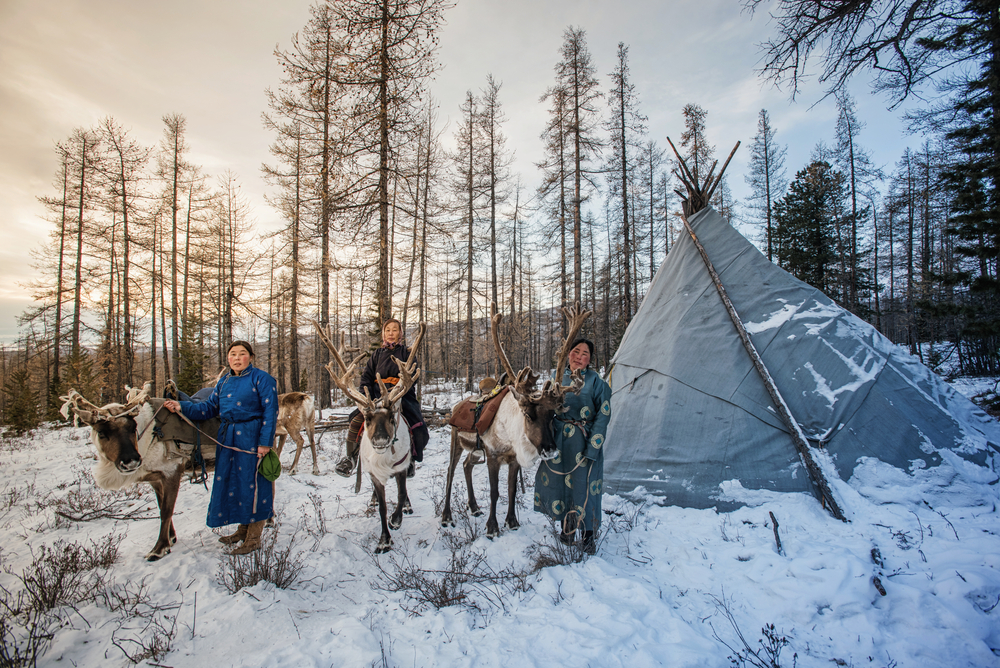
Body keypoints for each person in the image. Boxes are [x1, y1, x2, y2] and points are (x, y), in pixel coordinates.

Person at [163, 340, 278, 555]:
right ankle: (242, 529)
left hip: (252, 437)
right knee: (235, 482)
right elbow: (208, 408)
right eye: (232, 354)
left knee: (253, 484)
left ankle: (254, 538)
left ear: (250, 357)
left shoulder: (262, 379)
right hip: (228, 439)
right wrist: (181, 406)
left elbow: (270, 413)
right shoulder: (224, 382)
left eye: (242, 354)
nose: (236, 358)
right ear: (228, 358)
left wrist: (265, 443)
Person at [533, 338, 612, 554]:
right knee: (561, 484)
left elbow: (603, 416)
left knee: (584, 487)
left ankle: (588, 536)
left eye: (585, 353)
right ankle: (567, 528)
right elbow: (545, 409)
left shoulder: (597, 383)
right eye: (575, 351)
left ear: (590, 360)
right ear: (568, 353)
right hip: (559, 441)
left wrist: (593, 447)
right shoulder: (555, 377)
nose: (579, 356)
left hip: (583, 441)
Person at [335, 319, 429, 479]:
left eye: (395, 330)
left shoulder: (407, 353)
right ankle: (350, 458)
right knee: (356, 420)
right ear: (384, 333)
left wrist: (397, 391)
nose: (391, 333)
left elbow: (412, 376)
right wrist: (365, 397)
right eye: (388, 330)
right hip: (376, 398)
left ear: (400, 333)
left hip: (401, 396)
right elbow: (366, 377)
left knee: (417, 426)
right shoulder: (377, 355)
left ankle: (411, 458)